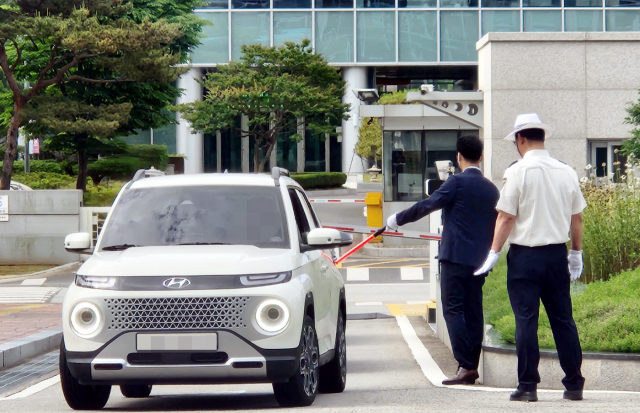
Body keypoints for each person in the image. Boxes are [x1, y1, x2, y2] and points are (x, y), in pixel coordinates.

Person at [475, 113, 586, 402]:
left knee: (526, 320)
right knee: (563, 319)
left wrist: (493, 252)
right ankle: (574, 383)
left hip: (525, 257)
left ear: (521, 139)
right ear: (542, 137)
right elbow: (577, 218)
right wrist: (576, 253)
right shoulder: (566, 171)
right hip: (556, 256)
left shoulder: (518, 172)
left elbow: (506, 217)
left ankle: (528, 386)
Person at [387, 135, 499, 385]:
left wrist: (398, 219)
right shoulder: (491, 189)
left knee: (452, 308)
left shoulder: (456, 183)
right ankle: (471, 363)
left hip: (455, 257)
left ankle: (466, 365)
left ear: (459, 156)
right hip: (480, 260)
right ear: (480, 157)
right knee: (473, 310)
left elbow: (429, 204)